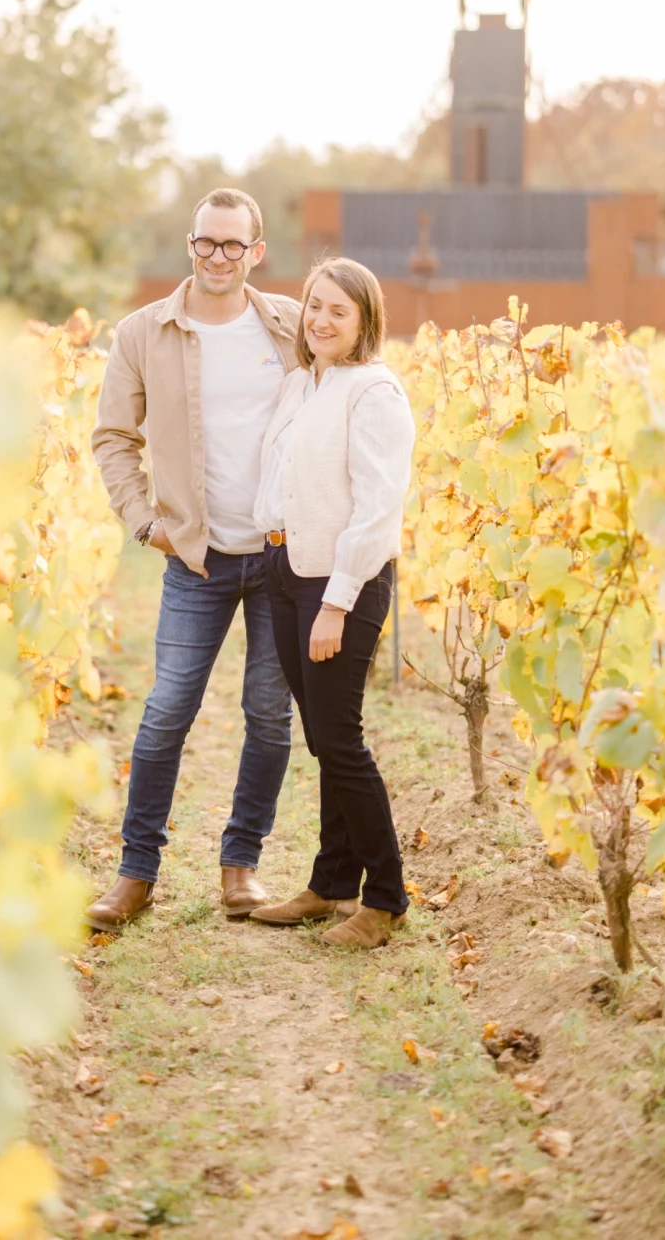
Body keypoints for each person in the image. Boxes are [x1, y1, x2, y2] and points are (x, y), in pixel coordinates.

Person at [86, 188, 300, 931]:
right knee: (165, 713)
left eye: (232, 246)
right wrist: (146, 524)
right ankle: (135, 873)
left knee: (269, 717)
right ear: (190, 245)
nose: (217, 257)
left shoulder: (292, 327)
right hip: (196, 560)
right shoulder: (143, 333)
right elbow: (113, 437)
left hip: (279, 557)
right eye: (206, 243)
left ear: (256, 253)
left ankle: (242, 865)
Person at [249, 257, 415, 949]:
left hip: (341, 581)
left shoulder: (373, 391)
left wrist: (338, 601)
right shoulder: (301, 385)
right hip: (289, 569)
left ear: (363, 321)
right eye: (314, 306)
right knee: (322, 736)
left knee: (340, 740)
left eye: (337, 311)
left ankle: (385, 900)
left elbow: (379, 508)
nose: (320, 320)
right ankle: (329, 885)